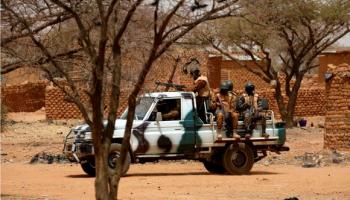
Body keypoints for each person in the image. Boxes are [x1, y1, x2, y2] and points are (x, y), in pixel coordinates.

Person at [184, 59, 211, 123]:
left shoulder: (201, 80)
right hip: (200, 98)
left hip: (203, 99)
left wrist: (184, 89)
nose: (192, 76)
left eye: (192, 74)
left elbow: (194, 89)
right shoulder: (199, 79)